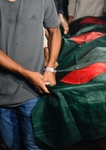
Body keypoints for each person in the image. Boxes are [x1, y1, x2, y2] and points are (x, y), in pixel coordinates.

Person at [0, 0, 61, 149]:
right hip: (2, 94)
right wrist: (27, 74)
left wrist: (50, 67)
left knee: (34, 145)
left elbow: (54, 31)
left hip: (33, 91)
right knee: (11, 145)